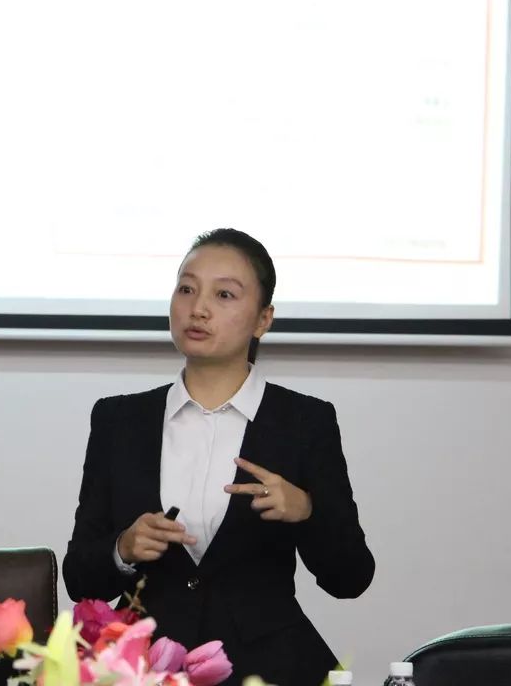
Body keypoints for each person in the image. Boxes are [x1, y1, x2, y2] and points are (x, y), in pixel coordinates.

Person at [63, 228, 374, 685]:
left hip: (269, 667)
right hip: (146, 667)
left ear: (263, 320)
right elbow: (79, 578)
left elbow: (351, 579)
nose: (199, 308)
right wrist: (122, 549)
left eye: (224, 294)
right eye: (186, 289)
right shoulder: (119, 420)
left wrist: (306, 511)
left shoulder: (304, 422)